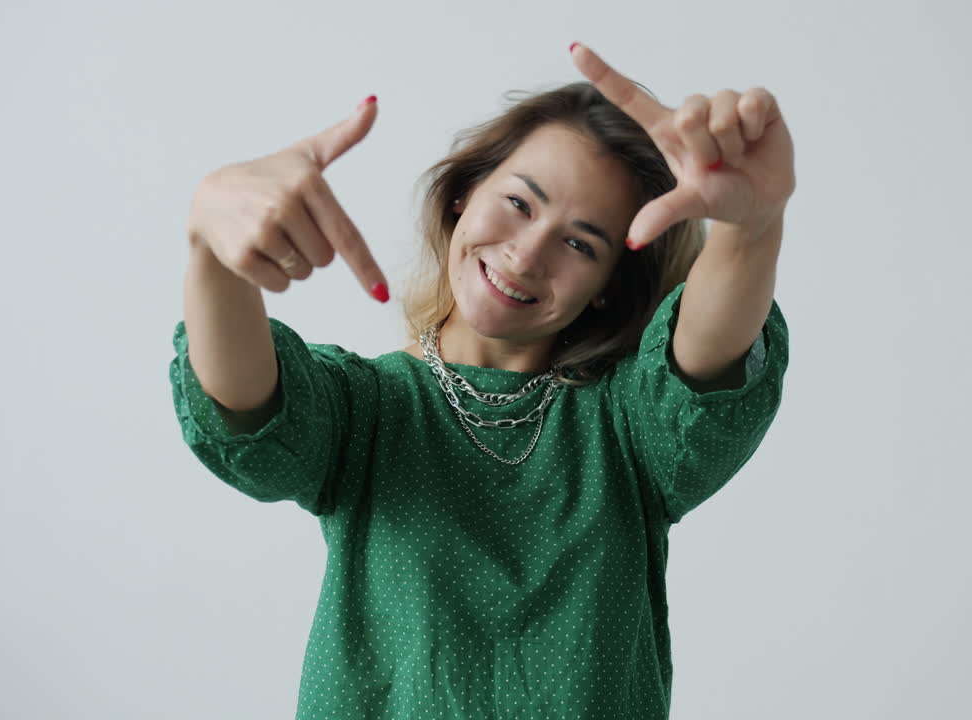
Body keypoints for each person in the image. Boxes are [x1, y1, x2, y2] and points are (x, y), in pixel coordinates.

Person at [169, 42, 794, 720]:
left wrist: (751, 232)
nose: (527, 254)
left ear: (611, 289)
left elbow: (705, 369)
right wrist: (212, 249)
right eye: (520, 203)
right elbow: (248, 409)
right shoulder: (365, 413)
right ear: (465, 193)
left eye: (581, 243)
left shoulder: (630, 431)